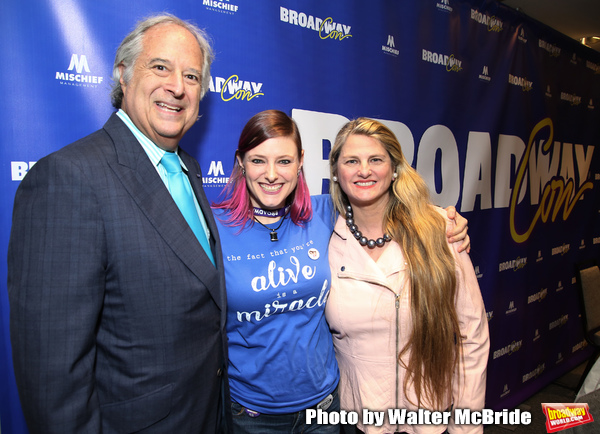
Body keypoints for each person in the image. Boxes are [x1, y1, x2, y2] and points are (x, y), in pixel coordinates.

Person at [8, 14, 230, 433]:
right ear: (123, 75)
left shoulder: (189, 170)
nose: (178, 87)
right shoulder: (69, 178)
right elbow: (53, 379)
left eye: (192, 76)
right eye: (160, 67)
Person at [211, 110, 470, 433]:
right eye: (258, 160)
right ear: (240, 162)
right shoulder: (212, 228)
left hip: (325, 408)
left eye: (284, 161)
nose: (272, 174)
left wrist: (443, 221)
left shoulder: (324, 213)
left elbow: (383, 203)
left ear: (301, 161)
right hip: (250, 414)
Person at [326, 118, 489, 434]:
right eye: (351, 161)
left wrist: (466, 427)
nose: (364, 170)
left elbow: (473, 333)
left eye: (376, 159)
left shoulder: (438, 231)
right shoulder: (322, 238)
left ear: (395, 168)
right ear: (335, 172)